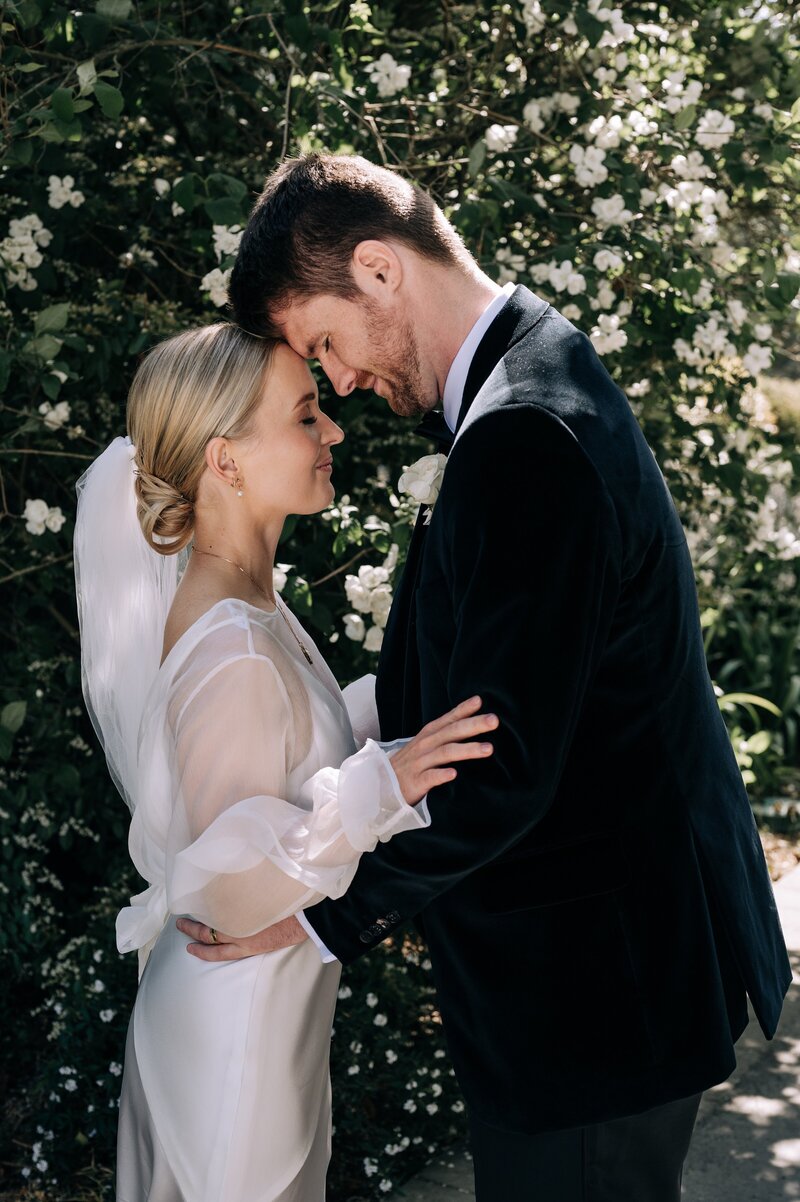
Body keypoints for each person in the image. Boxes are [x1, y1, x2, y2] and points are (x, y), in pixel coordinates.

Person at [181, 154, 792, 1202]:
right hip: (613, 972)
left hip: (589, 999)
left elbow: (501, 763)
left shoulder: (523, 435)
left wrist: (324, 914)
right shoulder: (536, 366)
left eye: (323, 342)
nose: (336, 383)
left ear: (378, 268)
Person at [73, 321, 499, 1202]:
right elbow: (226, 887)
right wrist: (386, 784)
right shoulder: (229, 638)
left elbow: (282, 756)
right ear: (226, 462)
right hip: (234, 1038)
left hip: (268, 1017)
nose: (332, 431)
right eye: (306, 416)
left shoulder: (249, 603)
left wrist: (401, 701)